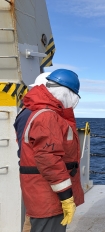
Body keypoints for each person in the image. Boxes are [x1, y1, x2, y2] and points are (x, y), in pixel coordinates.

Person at [14, 69, 84, 232]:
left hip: (45, 192)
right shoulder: (47, 116)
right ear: (66, 93)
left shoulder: (41, 112)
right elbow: (49, 159)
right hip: (48, 196)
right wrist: (66, 197)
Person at [14, 72, 51, 232]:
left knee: (39, 217)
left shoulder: (28, 111)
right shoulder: (33, 113)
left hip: (36, 172)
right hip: (37, 174)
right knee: (37, 218)